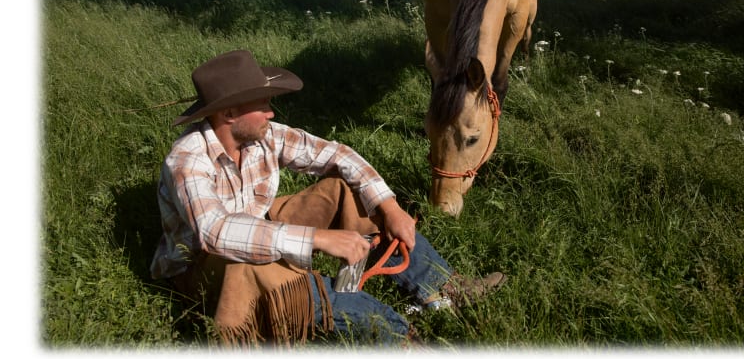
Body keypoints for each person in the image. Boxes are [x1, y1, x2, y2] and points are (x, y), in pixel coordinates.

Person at [150, 50, 505, 346]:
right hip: (200, 265)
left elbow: (339, 155)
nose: (272, 113)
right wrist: (319, 239)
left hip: (257, 224)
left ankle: (446, 288)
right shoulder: (188, 158)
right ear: (228, 114)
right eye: (263, 105)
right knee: (256, 268)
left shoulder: (264, 136)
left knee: (343, 190)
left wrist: (389, 206)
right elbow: (215, 232)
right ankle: (399, 337)